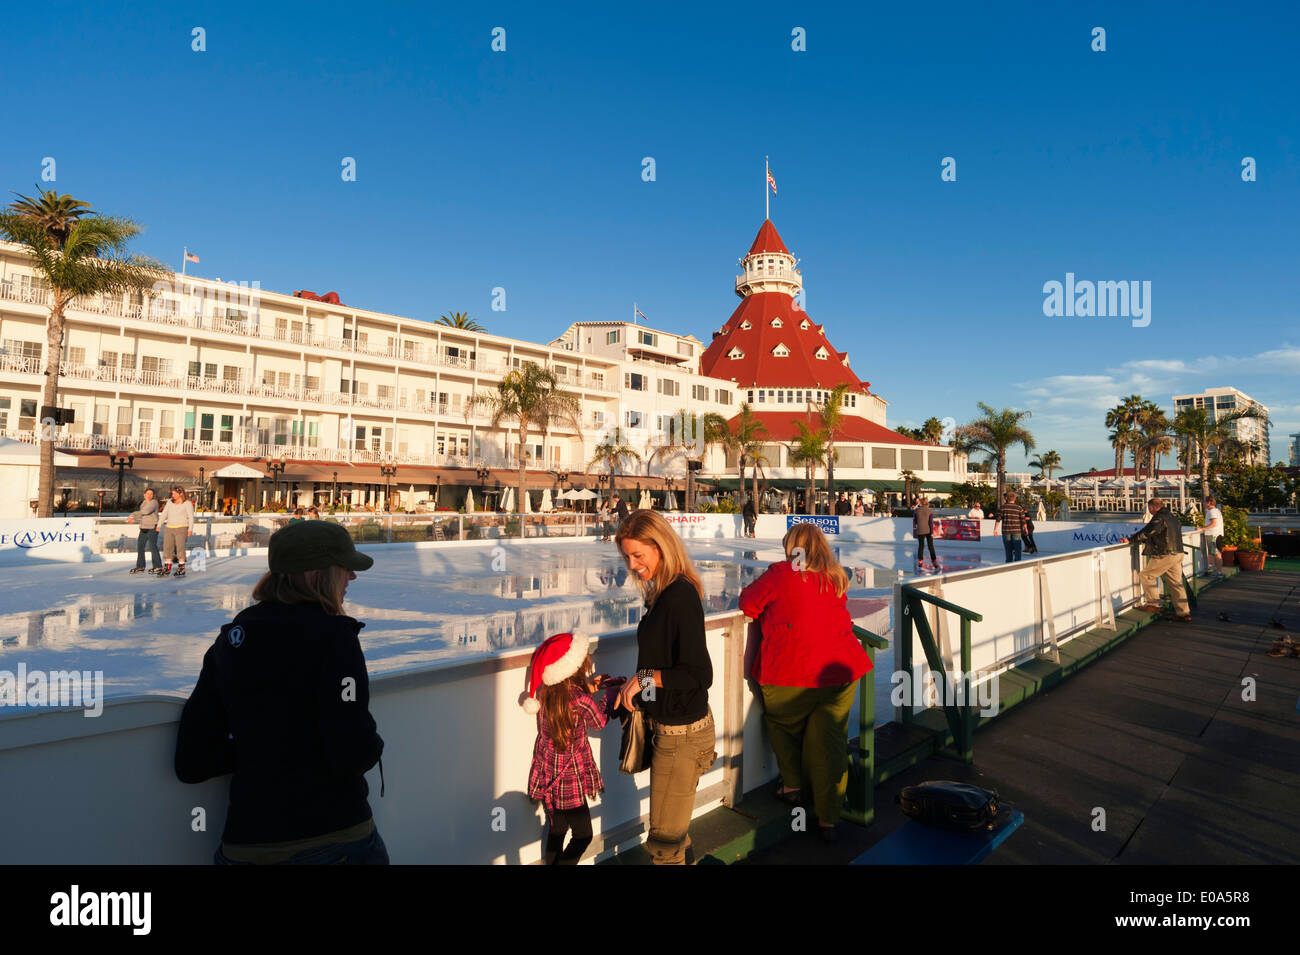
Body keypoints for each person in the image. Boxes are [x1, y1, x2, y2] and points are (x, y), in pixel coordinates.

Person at [175, 520, 387, 863]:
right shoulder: (334, 638)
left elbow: (193, 760)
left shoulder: (232, 640)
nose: (352, 577)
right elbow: (353, 750)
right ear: (318, 574)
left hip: (246, 844)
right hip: (334, 840)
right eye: (344, 567)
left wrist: (259, 749)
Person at [739, 522, 872, 843]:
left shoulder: (781, 574)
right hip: (840, 671)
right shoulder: (836, 576)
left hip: (791, 671)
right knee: (830, 743)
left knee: (784, 728)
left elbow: (748, 604)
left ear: (791, 547)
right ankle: (829, 818)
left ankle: (793, 786)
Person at [614, 510, 715, 865]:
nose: (633, 564)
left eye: (638, 555)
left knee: (664, 842)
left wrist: (643, 681)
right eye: (627, 557)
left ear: (661, 547)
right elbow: (661, 664)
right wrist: (633, 689)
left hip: (682, 735)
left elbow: (699, 674)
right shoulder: (663, 593)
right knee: (670, 833)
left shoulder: (679, 597)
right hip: (670, 729)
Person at [522, 632, 617, 864]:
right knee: (583, 835)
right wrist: (611, 696)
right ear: (573, 664)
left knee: (558, 829)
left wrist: (589, 687)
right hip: (570, 778)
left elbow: (570, 698)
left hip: (549, 774)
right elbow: (599, 722)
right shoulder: (580, 699)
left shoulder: (546, 692)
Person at [1120, 498, 1191, 622]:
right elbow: (1158, 533)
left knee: (1146, 575)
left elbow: (1149, 531)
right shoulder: (1172, 517)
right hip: (1178, 552)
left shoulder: (1159, 517)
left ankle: (1153, 604)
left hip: (1165, 554)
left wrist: (1131, 540)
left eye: (1149, 508)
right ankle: (1184, 613)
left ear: (1152, 507)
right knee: (1176, 584)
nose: (1149, 511)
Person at [158, 486, 195, 577]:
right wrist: (159, 524)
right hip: (169, 528)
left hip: (182, 528)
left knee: (180, 548)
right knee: (167, 548)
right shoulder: (169, 502)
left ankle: (181, 568)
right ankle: (167, 567)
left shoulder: (187, 503)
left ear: (180, 494)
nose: (172, 495)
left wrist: (190, 529)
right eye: (172, 493)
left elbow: (190, 517)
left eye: (174, 493)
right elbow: (164, 514)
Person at [126, 488, 164, 575]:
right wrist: (132, 517)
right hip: (143, 527)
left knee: (152, 546)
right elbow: (142, 514)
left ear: (153, 495)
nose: (149, 495)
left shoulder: (154, 502)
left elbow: (145, 511)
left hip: (152, 527)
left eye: (151, 494)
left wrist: (133, 515)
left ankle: (157, 566)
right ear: (144, 494)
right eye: (148, 493)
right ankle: (140, 566)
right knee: (140, 546)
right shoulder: (143, 503)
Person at [993, 491, 1025, 563]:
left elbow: (998, 519)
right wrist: (1025, 528)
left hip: (1006, 531)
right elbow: (1023, 520)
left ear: (1007, 498)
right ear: (1015, 498)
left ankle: (1008, 563)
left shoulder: (1002, 507)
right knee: (1017, 549)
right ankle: (1018, 563)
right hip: (1016, 531)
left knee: (1008, 548)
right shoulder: (1019, 508)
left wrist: (995, 530)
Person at [913, 497, 940, 569]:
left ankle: (920, 561)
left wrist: (916, 528)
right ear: (927, 503)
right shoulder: (929, 511)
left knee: (921, 546)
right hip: (928, 530)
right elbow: (931, 523)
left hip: (920, 530)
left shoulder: (917, 511)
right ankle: (934, 561)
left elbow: (915, 521)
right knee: (930, 546)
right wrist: (931, 532)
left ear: (921, 503)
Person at [1203, 496, 1224, 577]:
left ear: (1209, 502)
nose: (1203, 503)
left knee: (1216, 554)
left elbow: (1214, 523)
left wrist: (1202, 528)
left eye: (1204, 501)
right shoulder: (1216, 511)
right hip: (1216, 535)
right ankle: (1218, 571)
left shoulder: (1212, 512)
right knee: (1216, 554)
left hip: (1213, 535)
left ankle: (1219, 572)